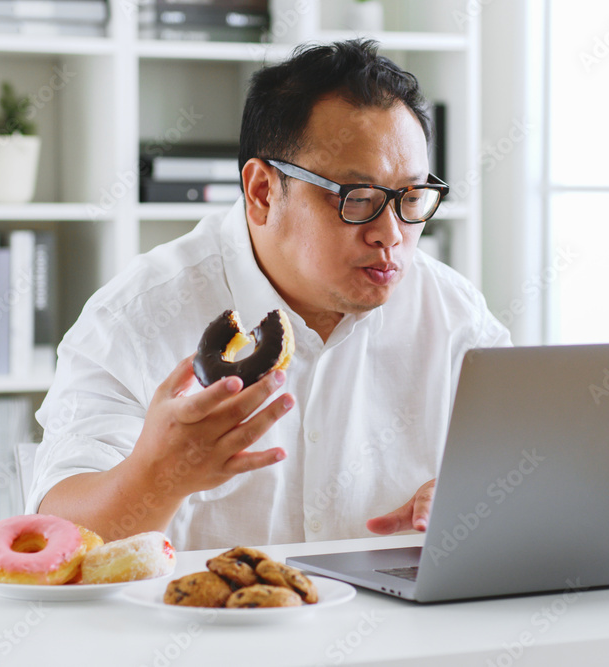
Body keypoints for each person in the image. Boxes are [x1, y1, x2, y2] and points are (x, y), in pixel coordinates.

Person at [29, 39, 511, 551]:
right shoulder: (134, 318)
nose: (391, 234)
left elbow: (529, 465)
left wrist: (478, 498)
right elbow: (55, 536)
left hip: (396, 631)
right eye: (359, 198)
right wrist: (156, 475)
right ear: (262, 192)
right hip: (200, 626)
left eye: (411, 198)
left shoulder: (455, 316)